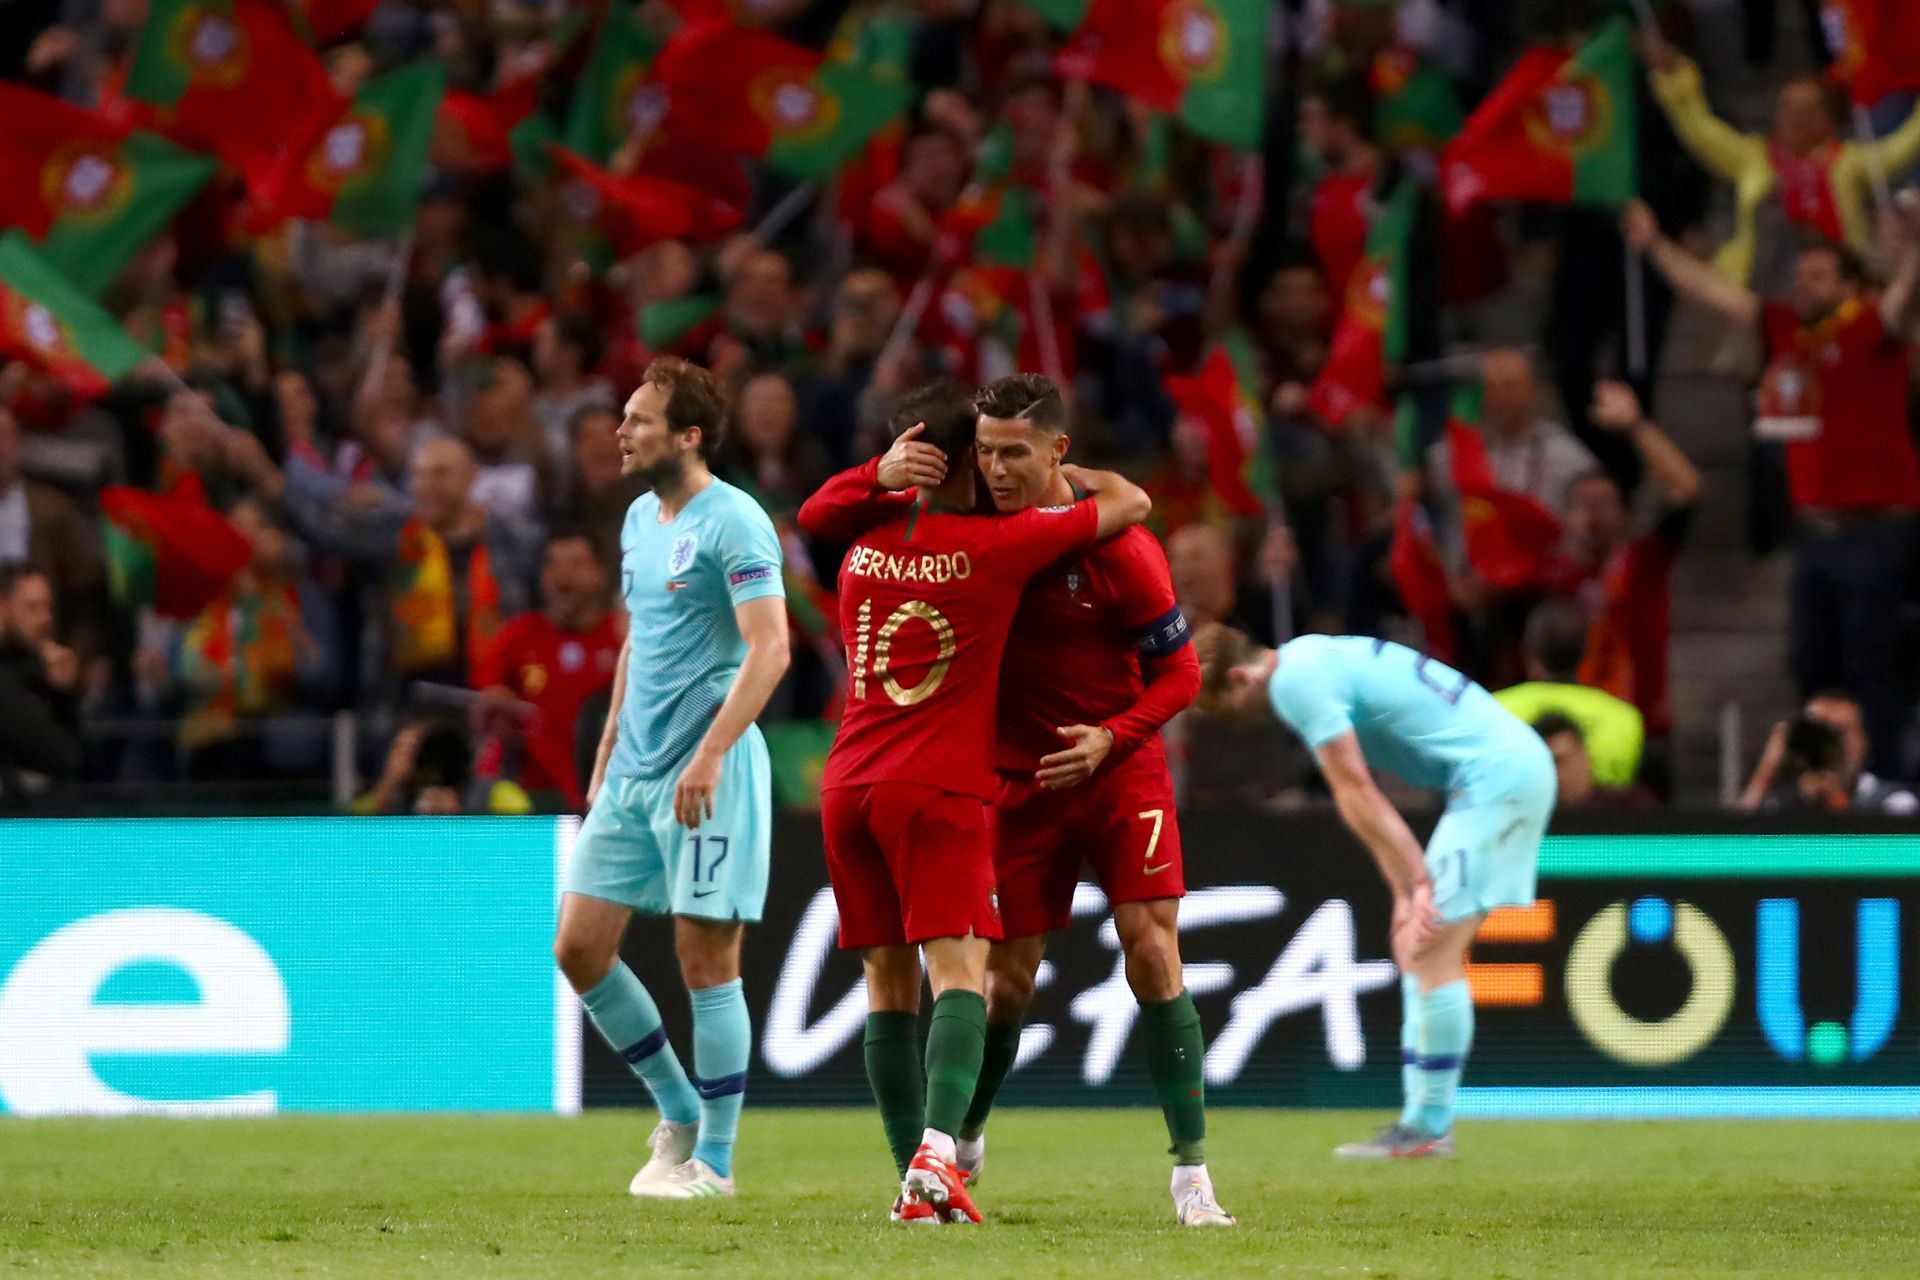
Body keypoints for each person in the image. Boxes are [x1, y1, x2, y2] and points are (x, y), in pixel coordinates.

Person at [800, 373, 1233, 1227]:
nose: (997, 469)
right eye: (985, 452)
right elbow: (1129, 498)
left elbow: (1182, 671)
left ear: (1057, 452)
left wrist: (1115, 734)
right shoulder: (988, 537)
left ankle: (1191, 1174)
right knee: (1004, 984)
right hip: (1014, 781)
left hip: (1117, 768)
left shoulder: (1120, 552)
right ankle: (961, 1139)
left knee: (1151, 949)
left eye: (1014, 453)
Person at [553, 358, 790, 1201]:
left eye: (639, 420)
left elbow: (771, 647)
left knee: (705, 959)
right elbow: (641, 636)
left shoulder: (736, 521)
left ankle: (715, 1165)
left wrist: (714, 751)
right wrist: (613, 733)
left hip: (708, 767)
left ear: (688, 436)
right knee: (578, 948)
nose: (622, 432)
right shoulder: (636, 521)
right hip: (634, 771)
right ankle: (677, 1110)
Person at [1192, 626, 1557, 1159]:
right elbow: (1360, 798)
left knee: (1432, 948)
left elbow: (1354, 787)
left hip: (1495, 779)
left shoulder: (1295, 682)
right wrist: (1403, 888)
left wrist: (1416, 878)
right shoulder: (1310, 659)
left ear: (1238, 679)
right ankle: (1422, 1124)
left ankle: (1428, 1129)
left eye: (1224, 709)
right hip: (1494, 774)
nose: (1233, 724)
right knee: (1417, 946)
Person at [1624, 196, 1920, 779]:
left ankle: (1887, 794)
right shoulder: (1785, 329)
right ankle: (1818, 785)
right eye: (1799, 275)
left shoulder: (1871, 327)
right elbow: (1712, 293)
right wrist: (1655, 243)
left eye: (1817, 276)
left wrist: (1914, 245)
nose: (1802, 285)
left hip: (1879, 530)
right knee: (1810, 666)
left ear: (1850, 284)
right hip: (1814, 535)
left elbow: (1906, 296)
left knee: (1876, 671)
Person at [1643, 34, 1920, 296]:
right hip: (1760, 287)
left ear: (1827, 120)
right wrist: (1675, 75)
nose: (1796, 118)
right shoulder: (1751, 157)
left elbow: (1902, 147)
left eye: (1807, 109)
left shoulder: (1848, 161)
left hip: (1834, 288)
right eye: (1788, 107)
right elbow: (1699, 130)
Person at [1544, 380, 1702, 742]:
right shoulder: (1548, 576)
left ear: (1626, 515)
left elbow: (1687, 489)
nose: (1593, 516)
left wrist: (1636, 426)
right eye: (1583, 505)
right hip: (1570, 732)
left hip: (1643, 725)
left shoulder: (1643, 562)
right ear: (1564, 516)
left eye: (1604, 505)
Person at [472, 531, 624, 811]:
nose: (563, 577)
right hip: (530, 796)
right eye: (553, 565)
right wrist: (495, 706)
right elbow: (484, 700)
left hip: (609, 793)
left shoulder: (624, 639)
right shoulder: (517, 636)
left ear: (601, 575)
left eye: (576, 564)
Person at [1495, 599, 1647, 789]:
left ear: (1528, 653)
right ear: (1585, 652)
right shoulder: (1625, 719)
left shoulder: (1494, 712)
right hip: (1604, 818)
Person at [1739, 690, 1919, 815]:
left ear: (1862, 742)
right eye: (1820, 733)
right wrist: (1766, 770)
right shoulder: (1782, 804)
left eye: (1840, 732)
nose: (1830, 746)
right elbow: (1735, 853)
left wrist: (1835, 800)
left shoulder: (1895, 802)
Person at [0, 564, 81, 801]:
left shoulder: (42, 668)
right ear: (3, 608)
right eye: (31, 608)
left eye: (47, 607)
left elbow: (75, 758)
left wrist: (64, 693)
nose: (45, 618)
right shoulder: (6, 679)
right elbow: (62, 757)